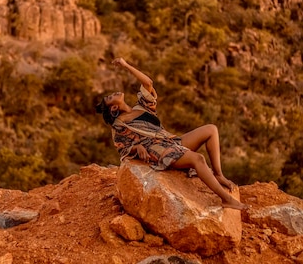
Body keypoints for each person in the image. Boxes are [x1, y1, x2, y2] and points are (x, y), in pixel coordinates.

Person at [96, 58, 248, 210]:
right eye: (110, 98)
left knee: (211, 129)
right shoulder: (119, 125)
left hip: (171, 141)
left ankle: (218, 174)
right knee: (198, 159)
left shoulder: (141, 107)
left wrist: (125, 65)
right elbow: (123, 149)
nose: (113, 93)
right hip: (159, 151)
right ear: (114, 108)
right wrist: (137, 147)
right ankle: (226, 199)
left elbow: (148, 83)